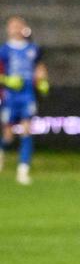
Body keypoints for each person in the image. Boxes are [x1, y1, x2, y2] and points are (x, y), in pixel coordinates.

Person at [0, 17, 48, 184]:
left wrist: (42, 81)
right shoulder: (3, 50)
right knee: (8, 135)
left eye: (19, 26)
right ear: (8, 29)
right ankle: (1, 151)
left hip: (27, 95)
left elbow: (40, 68)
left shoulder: (33, 49)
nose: (16, 29)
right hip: (9, 96)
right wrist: (6, 80)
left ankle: (23, 170)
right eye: (13, 26)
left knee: (27, 130)